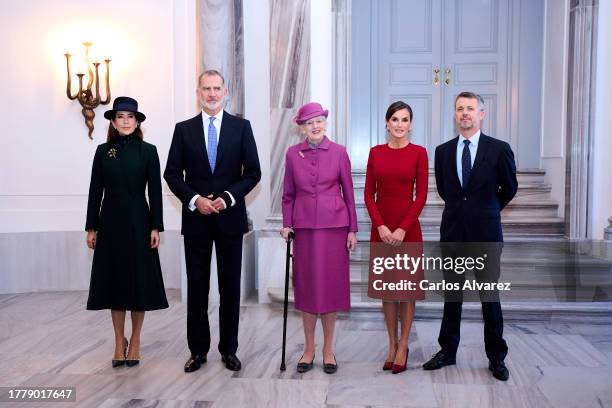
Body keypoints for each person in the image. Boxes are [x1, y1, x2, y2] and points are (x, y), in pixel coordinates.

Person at [164, 70, 261, 373]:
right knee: (197, 289)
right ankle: (198, 351)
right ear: (198, 92)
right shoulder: (183, 130)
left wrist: (228, 197)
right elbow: (171, 174)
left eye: (216, 88)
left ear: (225, 91)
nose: (211, 93)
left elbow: (253, 173)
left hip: (230, 220)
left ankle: (229, 350)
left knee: (230, 288)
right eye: (206, 88)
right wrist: (195, 200)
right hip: (196, 223)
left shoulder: (241, 127)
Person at [423, 91, 518, 381]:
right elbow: (445, 191)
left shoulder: (499, 149)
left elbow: (509, 187)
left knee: (489, 297)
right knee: (453, 296)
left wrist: (487, 210)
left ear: (481, 114)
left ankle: (497, 358)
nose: (465, 113)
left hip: (486, 235)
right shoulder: (442, 151)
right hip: (453, 233)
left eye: (470, 109)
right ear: (455, 115)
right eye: (460, 109)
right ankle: (447, 351)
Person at [85, 96, 168, 368]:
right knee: (115, 283)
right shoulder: (102, 151)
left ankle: (136, 340)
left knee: (138, 283)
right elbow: (95, 190)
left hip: (139, 223)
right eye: (120, 116)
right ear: (113, 121)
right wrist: (91, 226)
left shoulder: (148, 151)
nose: (125, 121)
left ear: (137, 121)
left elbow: (155, 191)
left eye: (130, 117)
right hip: (109, 223)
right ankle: (119, 341)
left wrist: (156, 226)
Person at [280, 102, 358, 374]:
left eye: (319, 121)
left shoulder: (339, 153)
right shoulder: (292, 155)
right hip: (305, 231)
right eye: (310, 122)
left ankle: (328, 350)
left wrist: (352, 229)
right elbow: (288, 194)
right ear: (302, 127)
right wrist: (286, 224)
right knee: (308, 289)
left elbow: (349, 194)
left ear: (325, 123)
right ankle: (309, 349)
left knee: (330, 289)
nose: (315, 126)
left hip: (335, 230)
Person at [364, 101, 428, 374]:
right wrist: (380, 226)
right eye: (395, 119)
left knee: (406, 290)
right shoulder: (375, 153)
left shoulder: (419, 153)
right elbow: (368, 193)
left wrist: (402, 227)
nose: (399, 124)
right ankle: (391, 344)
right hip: (382, 228)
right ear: (387, 123)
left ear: (410, 124)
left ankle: (404, 345)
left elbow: (422, 194)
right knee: (388, 292)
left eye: (404, 120)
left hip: (408, 229)